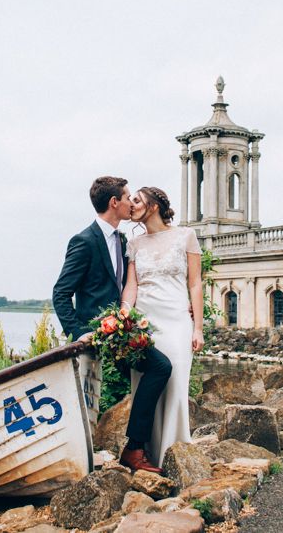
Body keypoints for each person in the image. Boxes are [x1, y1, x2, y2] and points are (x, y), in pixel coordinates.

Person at [52, 176, 172, 474]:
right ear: (113, 203)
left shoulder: (121, 240)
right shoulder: (84, 241)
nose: (131, 201)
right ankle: (126, 451)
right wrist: (82, 333)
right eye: (128, 196)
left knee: (158, 368)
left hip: (122, 330)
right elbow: (61, 293)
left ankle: (134, 448)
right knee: (157, 368)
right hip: (99, 335)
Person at [120, 186, 204, 467]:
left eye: (136, 201)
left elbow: (195, 282)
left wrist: (198, 328)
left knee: (176, 383)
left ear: (153, 206)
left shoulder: (185, 236)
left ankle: (174, 454)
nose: (131, 205)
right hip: (146, 323)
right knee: (147, 383)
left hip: (177, 319)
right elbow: (132, 285)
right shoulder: (134, 244)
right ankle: (143, 453)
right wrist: (124, 315)